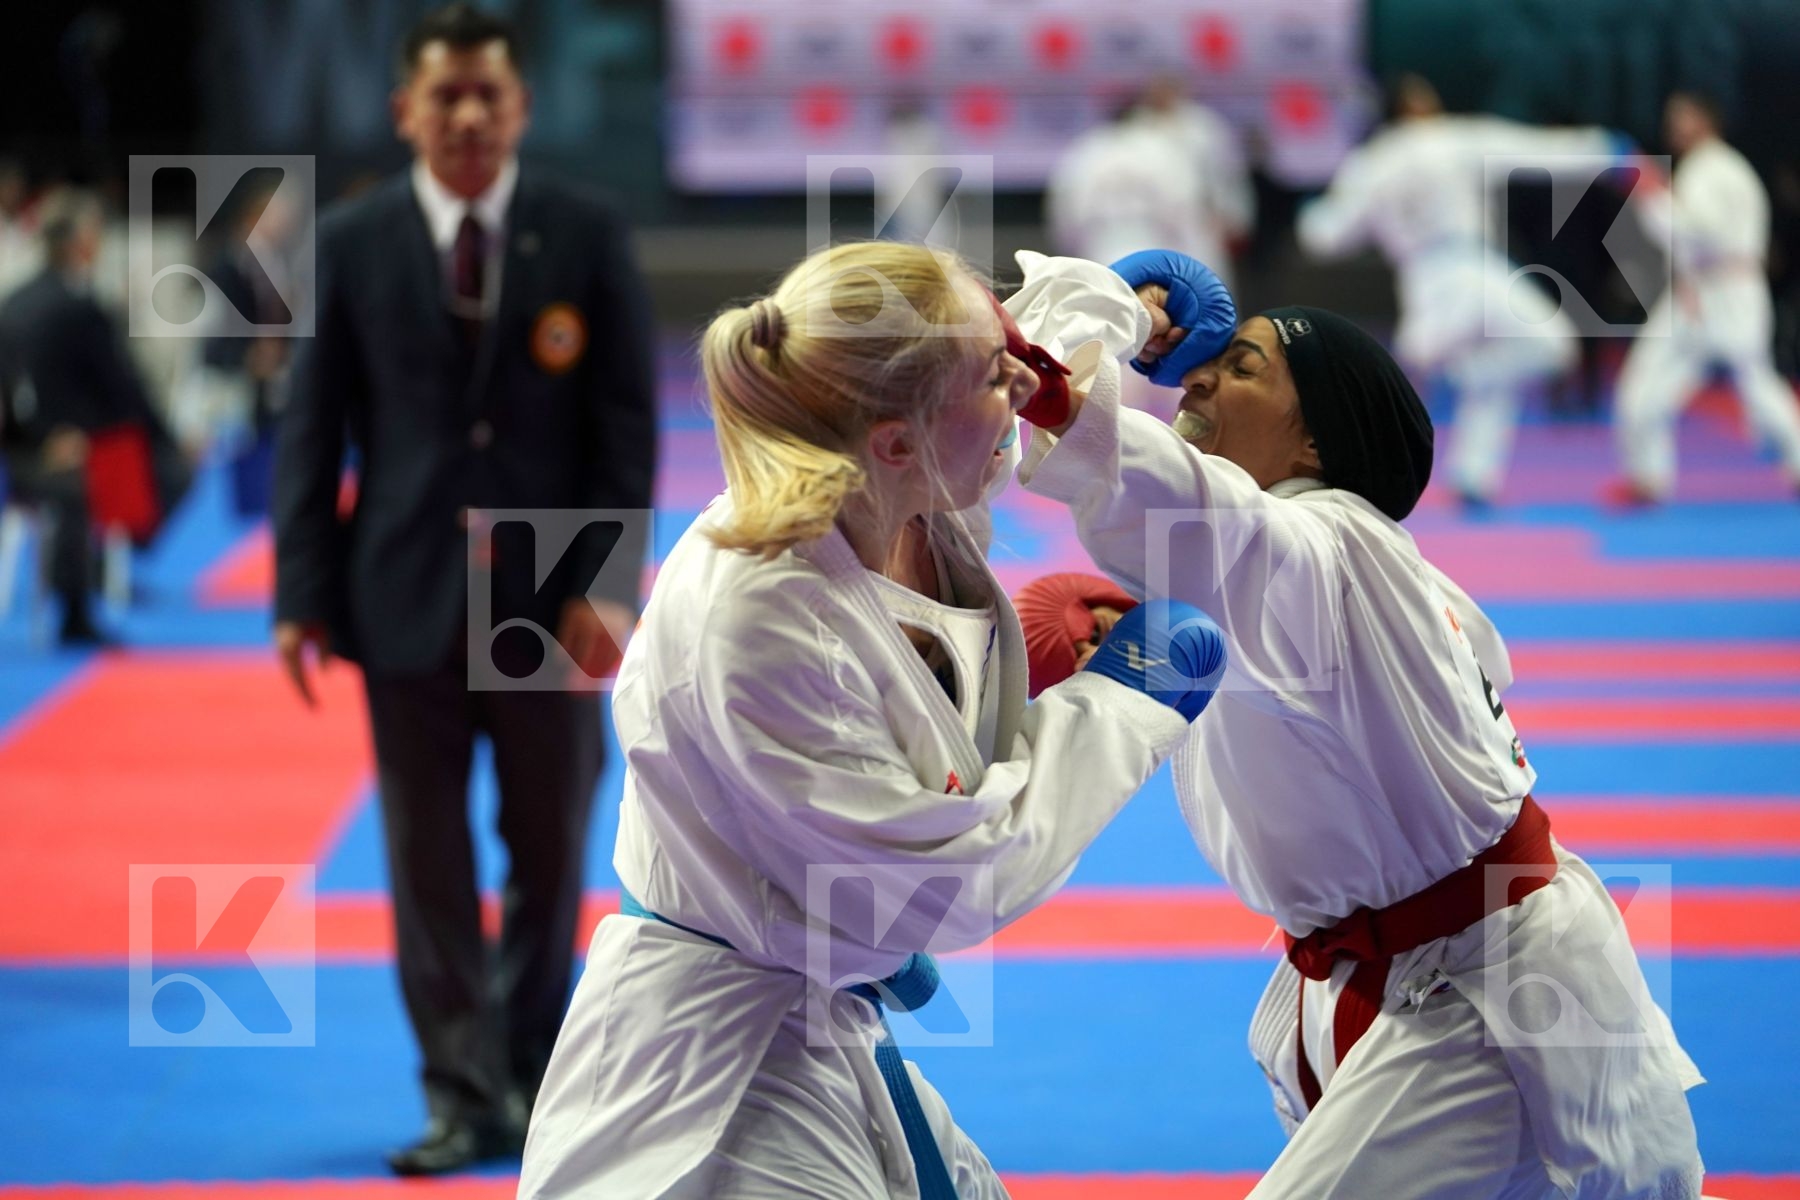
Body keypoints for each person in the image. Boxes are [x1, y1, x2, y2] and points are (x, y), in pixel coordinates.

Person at [517, 240, 1225, 1199]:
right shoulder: (766, 614)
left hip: (821, 1010)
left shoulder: (895, 481)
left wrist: (1118, 308)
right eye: (993, 373)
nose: (1020, 381)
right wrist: (1121, 705)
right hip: (717, 1073)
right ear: (897, 437)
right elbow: (948, 885)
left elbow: (1018, 368)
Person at [1012, 246, 1704, 1198]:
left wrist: (1076, 347)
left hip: (1485, 995)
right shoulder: (1353, 576)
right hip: (1369, 972)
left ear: (1313, 449)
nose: (1197, 372)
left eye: (1245, 366)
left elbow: (1168, 496)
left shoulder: (1324, 540)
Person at [271, 2, 658, 1175]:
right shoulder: (356, 240)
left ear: (522, 106)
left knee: (547, 850)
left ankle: (536, 1074)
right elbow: (313, 427)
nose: (471, 116)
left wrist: (610, 583)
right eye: (447, 96)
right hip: (402, 590)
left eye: (491, 93)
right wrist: (297, 591)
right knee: (425, 859)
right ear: (406, 113)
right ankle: (457, 1090)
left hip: (548, 594)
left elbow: (626, 424)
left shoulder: (583, 232)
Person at [1296, 74, 1618, 509]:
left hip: (1431, 280)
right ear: (1415, 107)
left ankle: (1471, 470)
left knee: (1442, 370)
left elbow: (1327, 236)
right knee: (1548, 346)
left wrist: (1308, 215)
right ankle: (1436, 407)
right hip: (1466, 270)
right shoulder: (1449, 138)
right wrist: (1603, 148)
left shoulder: (1370, 163)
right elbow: (1528, 150)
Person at [0, 187, 187, 645]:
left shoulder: (15, 301)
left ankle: (103, 570)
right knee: (157, 470)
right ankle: (81, 602)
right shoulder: (75, 305)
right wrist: (163, 436)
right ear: (81, 241)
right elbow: (121, 388)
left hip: (27, 447)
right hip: (49, 453)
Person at [1611, 91, 1800, 504]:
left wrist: (1652, 197)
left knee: (1754, 381)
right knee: (1651, 380)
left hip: (1722, 289)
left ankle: (1649, 476)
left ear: (1707, 121)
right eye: (1672, 116)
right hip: (1709, 289)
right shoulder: (1727, 167)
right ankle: (1648, 478)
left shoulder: (1710, 169)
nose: (1674, 124)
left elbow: (1697, 232)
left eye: (1684, 117)